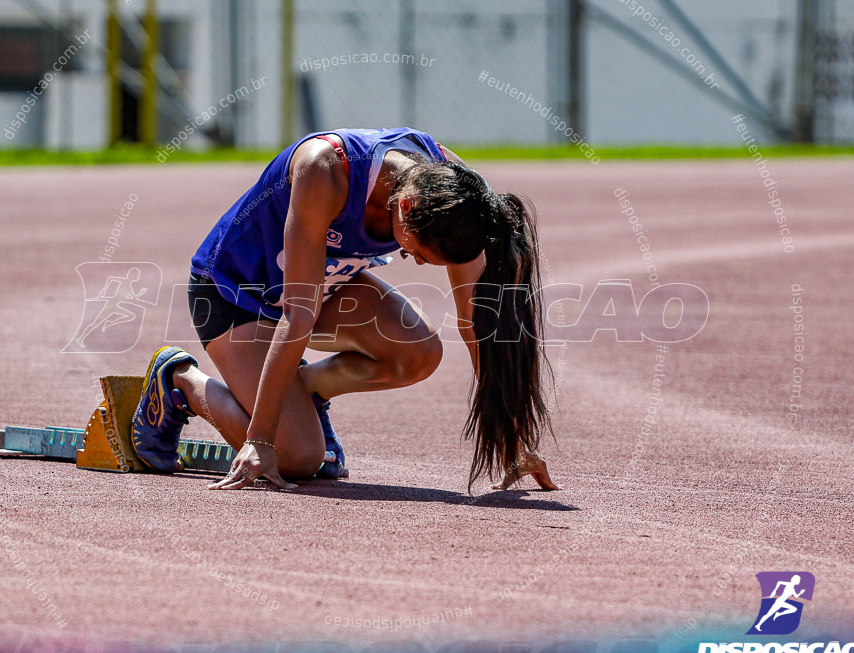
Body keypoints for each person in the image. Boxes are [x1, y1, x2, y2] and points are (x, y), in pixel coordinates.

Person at [130, 127, 559, 492]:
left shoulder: (452, 193)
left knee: (419, 351)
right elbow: (298, 314)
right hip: (235, 295)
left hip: (323, 291)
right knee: (297, 457)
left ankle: (307, 391)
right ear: (406, 208)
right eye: (420, 254)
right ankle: (181, 381)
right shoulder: (325, 169)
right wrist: (260, 438)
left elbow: (473, 320)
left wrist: (510, 436)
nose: (418, 263)